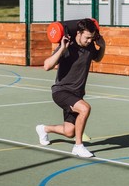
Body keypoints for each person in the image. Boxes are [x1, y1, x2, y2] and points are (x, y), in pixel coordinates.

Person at [36, 18, 106, 158]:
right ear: (78, 33)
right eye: (86, 37)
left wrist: (102, 47)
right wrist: (62, 48)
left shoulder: (90, 46)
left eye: (91, 38)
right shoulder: (68, 45)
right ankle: (78, 146)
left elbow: (97, 58)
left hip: (77, 94)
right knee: (85, 108)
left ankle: (43, 129)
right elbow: (46, 66)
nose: (88, 41)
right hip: (61, 91)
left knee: (69, 131)